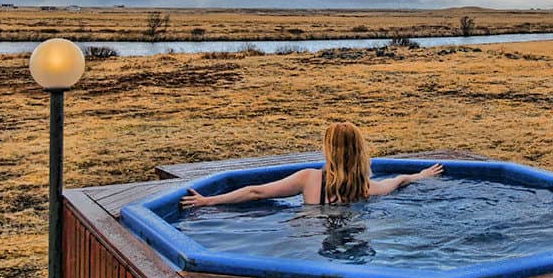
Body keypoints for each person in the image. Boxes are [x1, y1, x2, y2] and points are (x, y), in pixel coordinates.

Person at [179, 121, 444, 208]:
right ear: (359, 152)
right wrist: (420, 174)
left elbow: (255, 191)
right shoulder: (367, 189)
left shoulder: (309, 179)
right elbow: (398, 180)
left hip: (309, 233)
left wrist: (209, 201)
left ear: (328, 149)